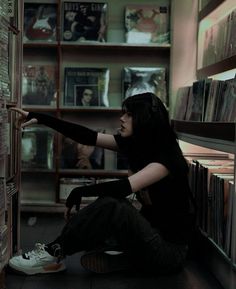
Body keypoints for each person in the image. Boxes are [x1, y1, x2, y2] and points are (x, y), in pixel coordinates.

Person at [8, 92, 196, 276]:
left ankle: (53, 252)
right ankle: (109, 254)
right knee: (104, 217)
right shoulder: (138, 145)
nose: (122, 118)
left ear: (145, 119)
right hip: (150, 233)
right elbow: (86, 136)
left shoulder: (167, 158)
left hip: (168, 253)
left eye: (129, 115)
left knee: (114, 206)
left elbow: (122, 188)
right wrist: (39, 117)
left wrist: (80, 191)